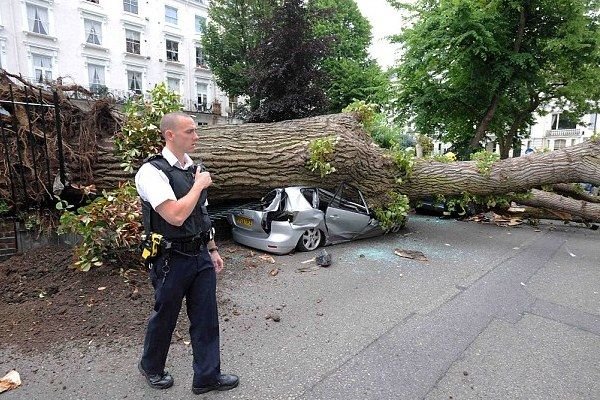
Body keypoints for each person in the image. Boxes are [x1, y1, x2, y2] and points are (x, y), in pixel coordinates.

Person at [134, 112, 238, 395]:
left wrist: (212, 249)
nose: (196, 136)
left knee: (206, 317)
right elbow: (176, 216)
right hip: (170, 258)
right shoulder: (151, 172)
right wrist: (199, 185)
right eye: (190, 131)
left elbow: (201, 214)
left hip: (199, 255)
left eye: (195, 131)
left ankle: (207, 376)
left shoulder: (194, 168)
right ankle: (151, 366)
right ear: (170, 135)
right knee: (165, 316)